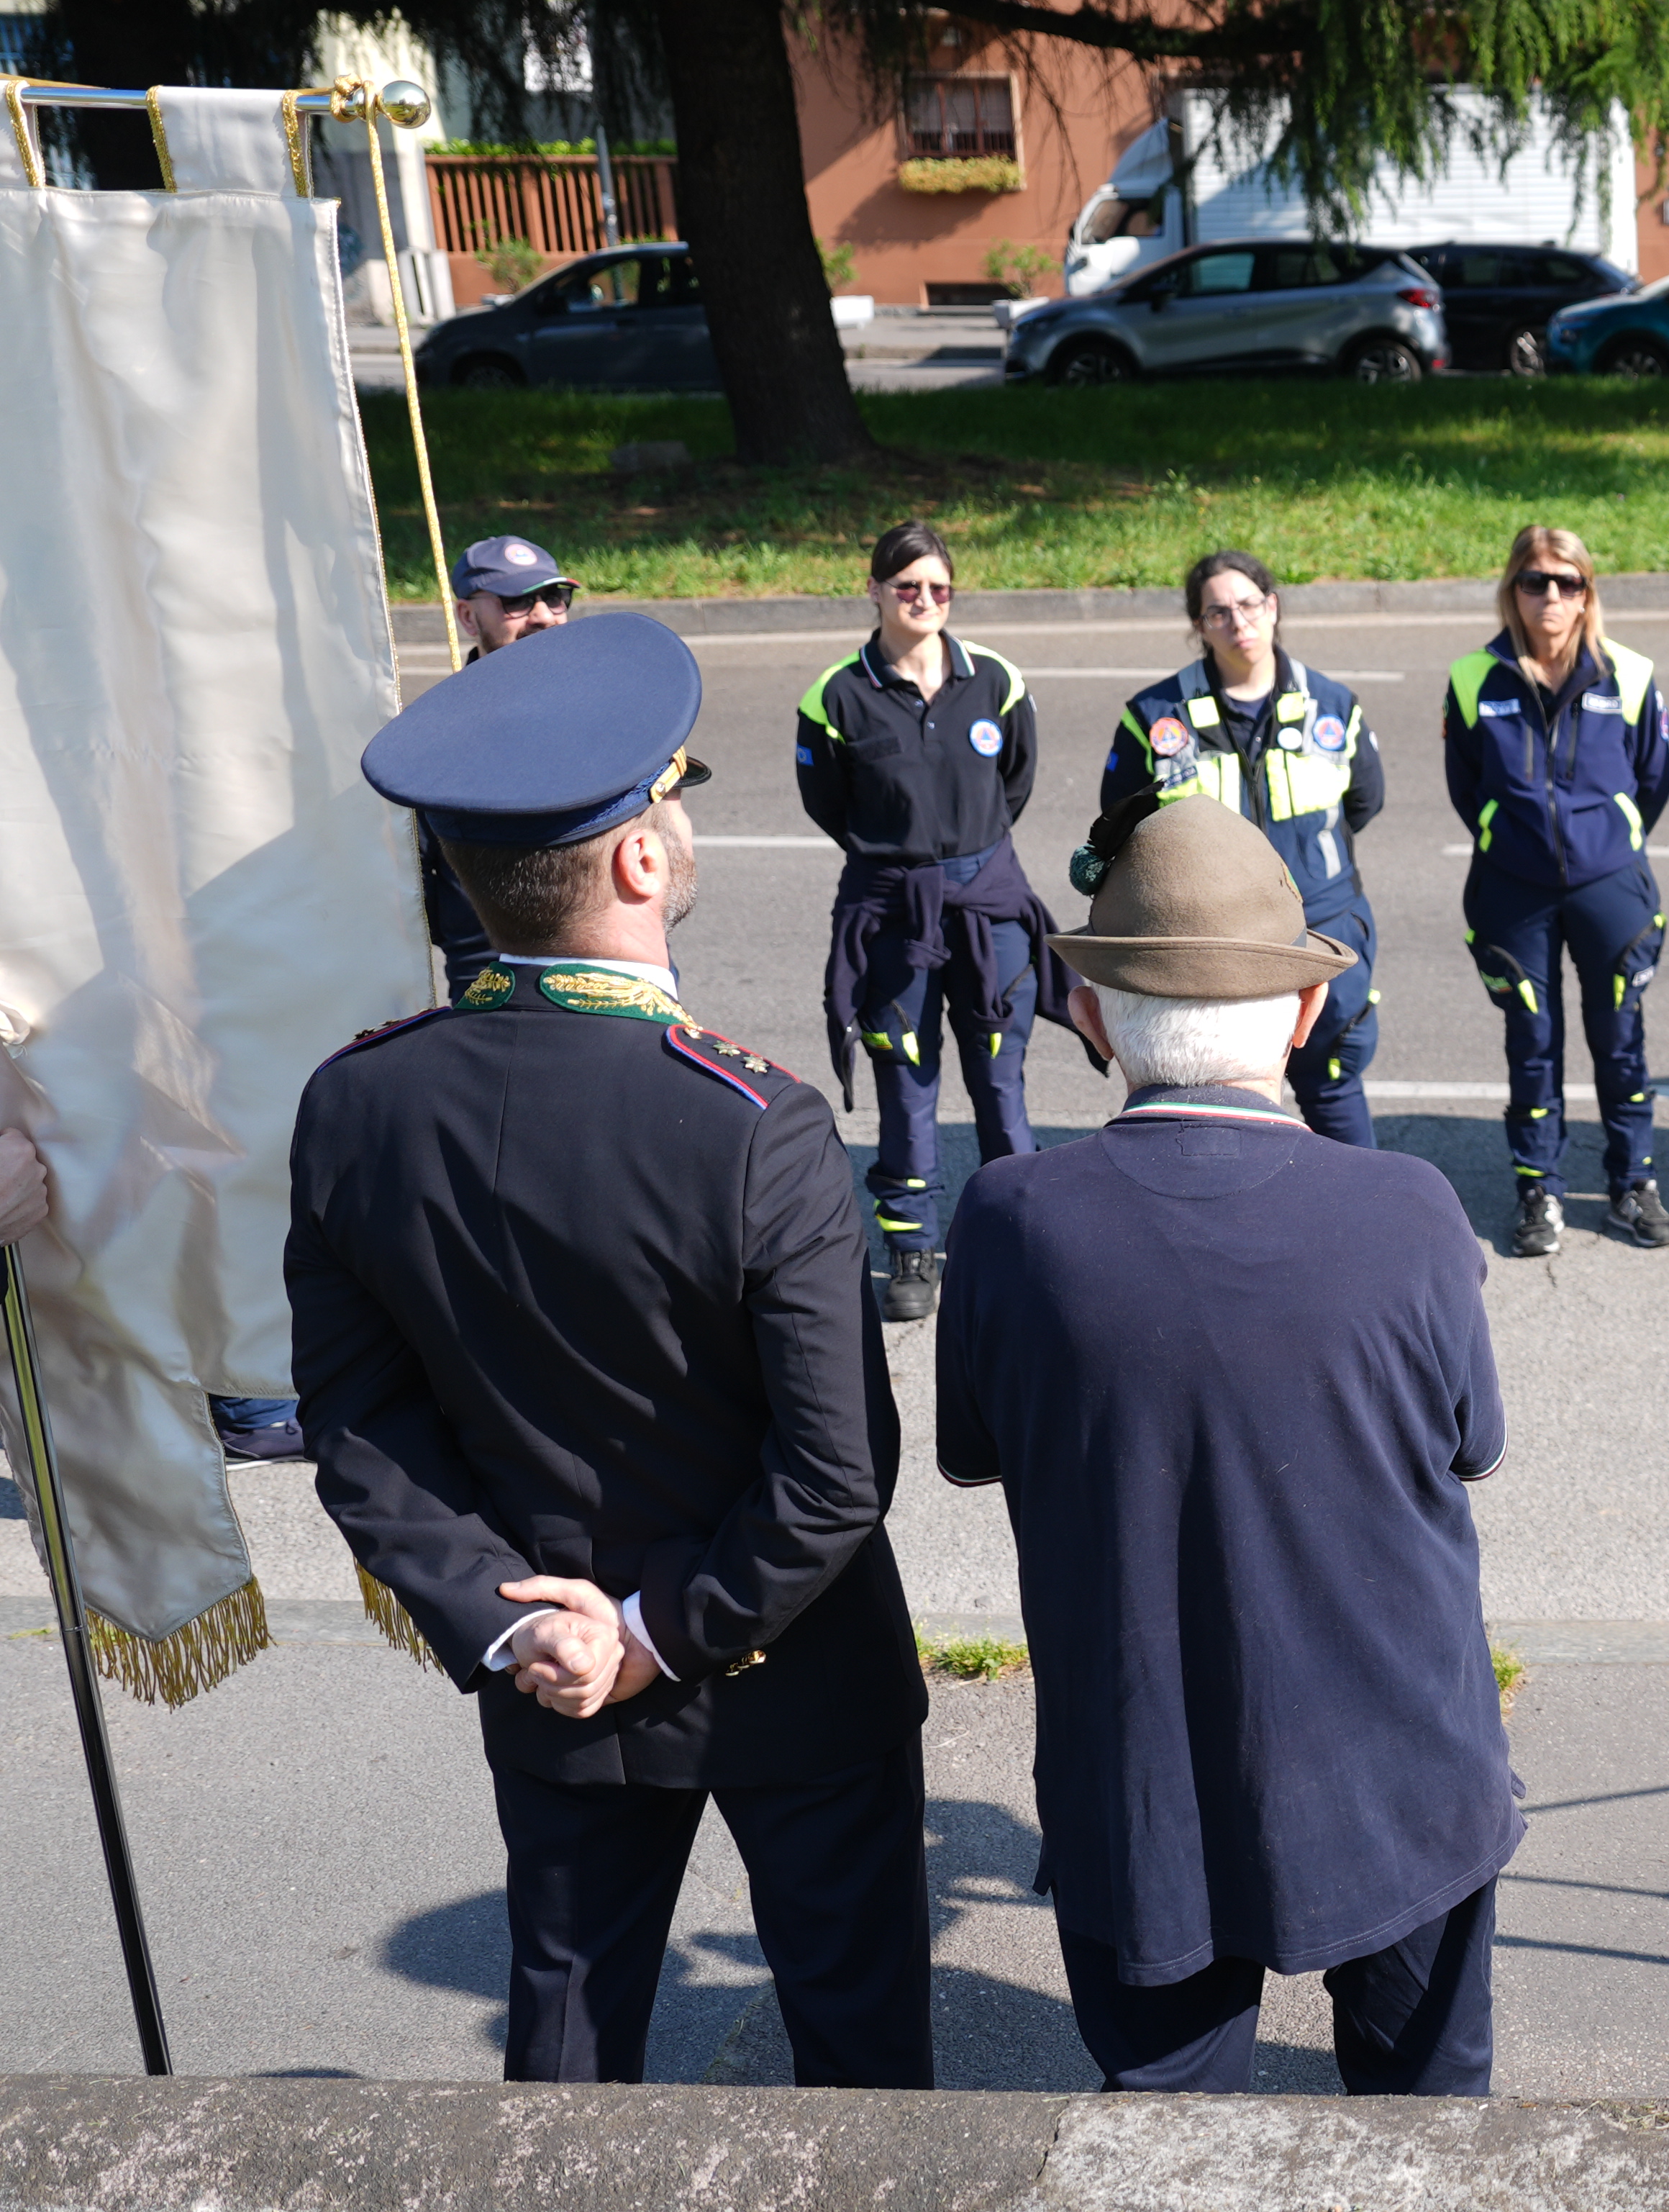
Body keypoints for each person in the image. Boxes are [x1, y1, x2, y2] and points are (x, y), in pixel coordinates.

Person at [288, 615, 931, 2088]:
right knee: (865, 2065)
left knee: (568, 2058)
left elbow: (362, 1433)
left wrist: (534, 1628)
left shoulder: (357, 1106)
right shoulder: (752, 1120)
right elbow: (838, 1477)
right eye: (669, 798)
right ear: (640, 860)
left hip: (552, 1670)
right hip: (792, 1661)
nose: (678, 819)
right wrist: (656, 1630)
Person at [939, 793, 1519, 2095]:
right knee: (1429, 2129)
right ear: (1306, 1018)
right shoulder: (1411, 1210)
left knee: (1165, 2149)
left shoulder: (1008, 1219)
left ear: (1090, 1015)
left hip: (1139, 1779)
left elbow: (973, 1451)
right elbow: (1475, 1447)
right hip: (1403, 1772)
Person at [794, 519, 1058, 1324]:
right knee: (905, 1087)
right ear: (872, 590)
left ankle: (1019, 1242)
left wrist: (961, 862)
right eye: (907, 587)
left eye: (938, 588)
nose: (923, 601)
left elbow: (1014, 783)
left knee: (1000, 1082)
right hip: (891, 912)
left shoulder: (996, 681)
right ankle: (913, 1245)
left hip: (989, 907)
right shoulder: (836, 695)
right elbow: (829, 806)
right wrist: (906, 864)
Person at [1444, 524, 1669, 1259]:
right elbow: (1466, 785)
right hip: (1513, 892)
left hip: (1611, 887)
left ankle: (1631, 1184)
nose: (1550, 595)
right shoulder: (1472, 679)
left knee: (1620, 1042)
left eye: (1566, 582)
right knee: (1533, 1044)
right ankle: (1538, 1190)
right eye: (1534, 581)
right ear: (1511, 590)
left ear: (1587, 594)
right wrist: (1504, 832)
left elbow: (1653, 780)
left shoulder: (1631, 675)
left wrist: (1607, 835)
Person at [1096, 550, 1386, 1145]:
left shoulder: (1333, 705)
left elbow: (1365, 801)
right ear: (1199, 625)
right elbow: (1124, 823)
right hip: (1208, 945)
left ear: (1273, 606)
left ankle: (1354, 1225)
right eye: (1218, 612)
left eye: (1250, 604)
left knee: (1332, 1087)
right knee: (1223, 1100)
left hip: (1321, 929)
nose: (1238, 622)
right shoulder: (1155, 715)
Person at [420, 535, 583, 1000]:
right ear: (468, 616)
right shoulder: (431, 735)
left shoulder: (609, 710)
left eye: (554, 597)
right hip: (492, 984)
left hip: (619, 976)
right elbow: (411, 881)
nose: (543, 616)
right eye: (516, 601)